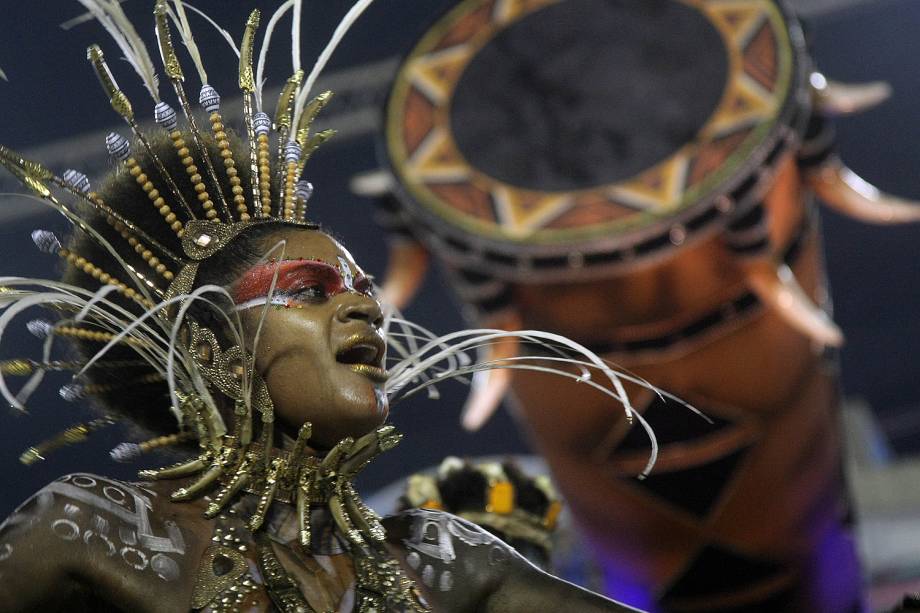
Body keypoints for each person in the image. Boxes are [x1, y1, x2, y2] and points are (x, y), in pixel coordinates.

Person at [0, 2, 649, 610]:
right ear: (209, 350)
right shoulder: (96, 529)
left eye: (363, 289)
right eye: (311, 290)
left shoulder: (439, 560)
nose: (365, 309)